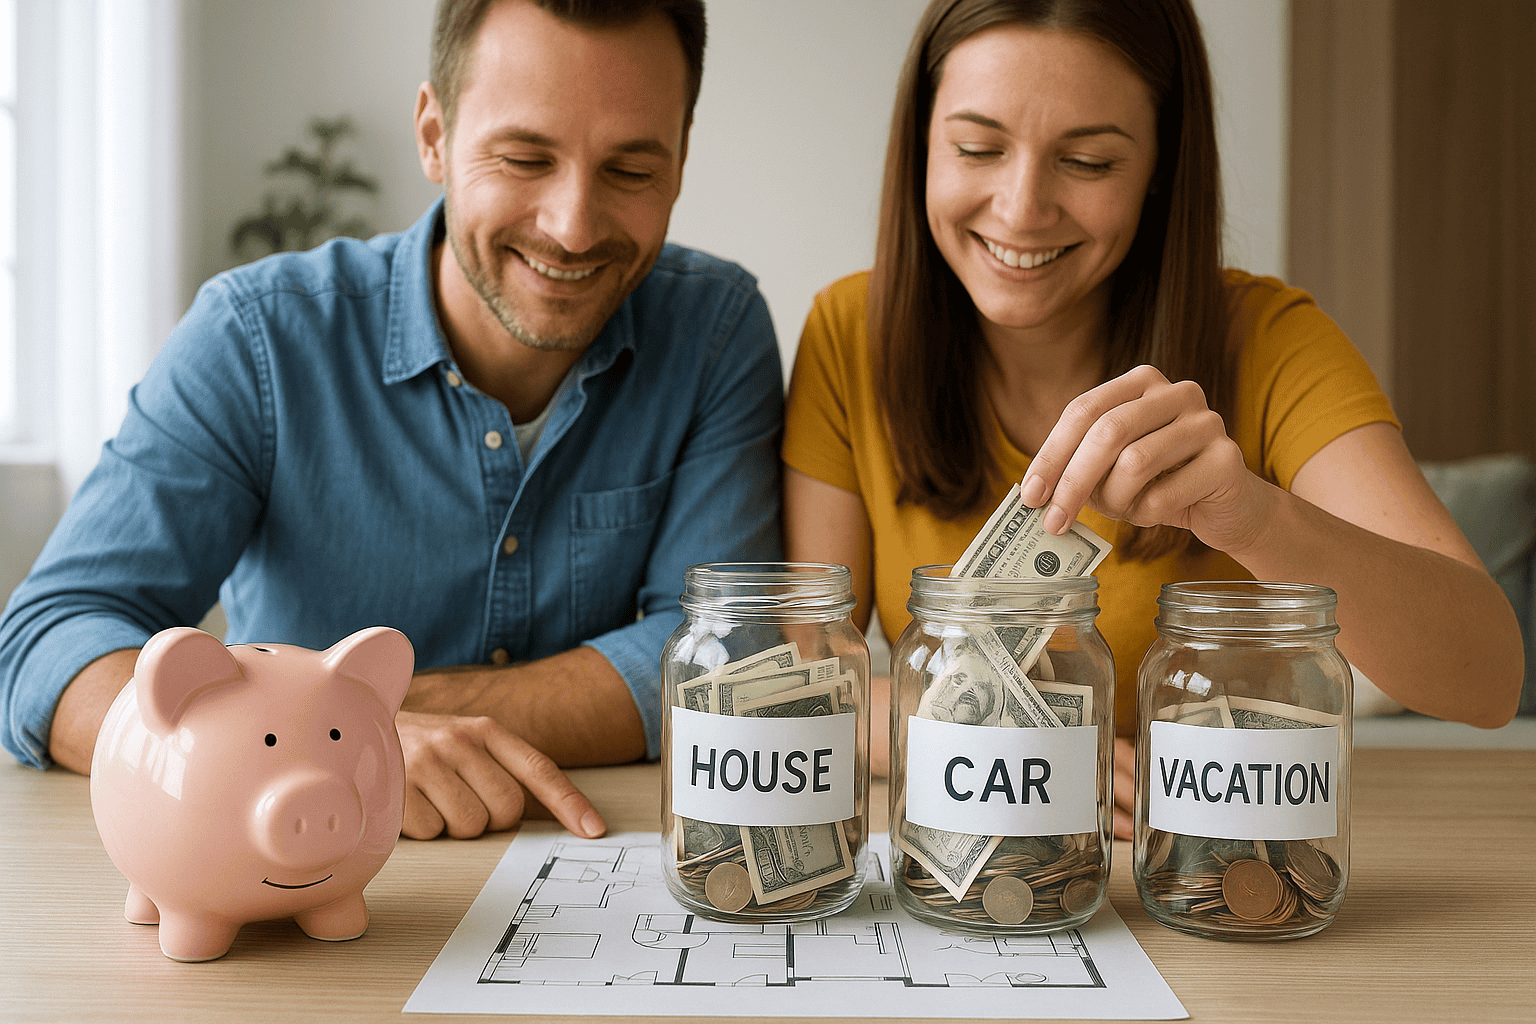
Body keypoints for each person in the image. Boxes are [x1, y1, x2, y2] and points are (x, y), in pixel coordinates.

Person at [0, 0, 784, 841]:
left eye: (631, 171)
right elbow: (52, 643)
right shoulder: (256, 337)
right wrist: (322, 746)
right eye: (525, 158)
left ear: (682, 156)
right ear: (434, 134)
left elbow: (720, 656)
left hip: (593, 866)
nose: (573, 225)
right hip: (296, 873)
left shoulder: (716, 331)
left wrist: (348, 714)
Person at [781, 0, 1524, 841]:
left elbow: (1488, 679)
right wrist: (1034, 742)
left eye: (1089, 161)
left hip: (1212, 861)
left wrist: (1256, 515)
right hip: (980, 847)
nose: (1023, 209)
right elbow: (810, 682)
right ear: (920, 143)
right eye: (977, 148)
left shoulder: (1271, 341)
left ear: (1162, 167)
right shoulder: (850, 332)